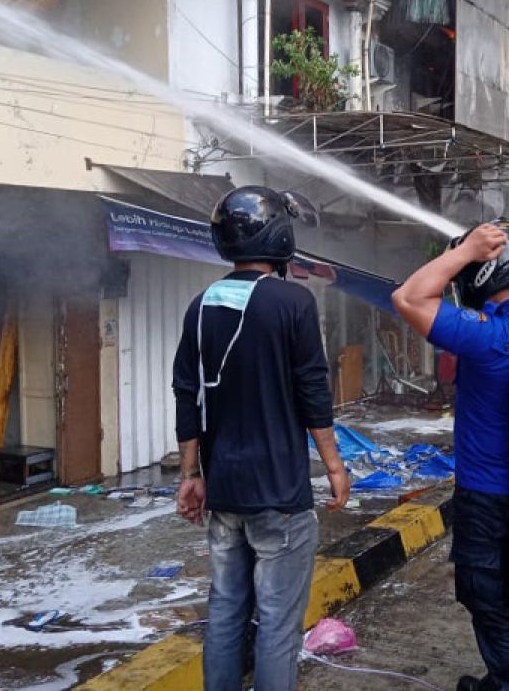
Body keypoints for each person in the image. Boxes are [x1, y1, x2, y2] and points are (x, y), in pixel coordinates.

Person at [172, 186, 349, 691]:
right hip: (279, 497)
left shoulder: (201, 305)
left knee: (226, 610)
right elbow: (313, 391)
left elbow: (187, 395)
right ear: (280, 235)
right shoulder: (294, 302)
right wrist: (334, 467)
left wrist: (190, 476)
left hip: (224, 492)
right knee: (276, 622)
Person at [393, 206, 509, 691]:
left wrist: (463, 251)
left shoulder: (494, 333)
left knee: (490, 601)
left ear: (486, 269)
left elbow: (408, 297)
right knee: (507, 599)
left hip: (487, 498)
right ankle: (499, 679)